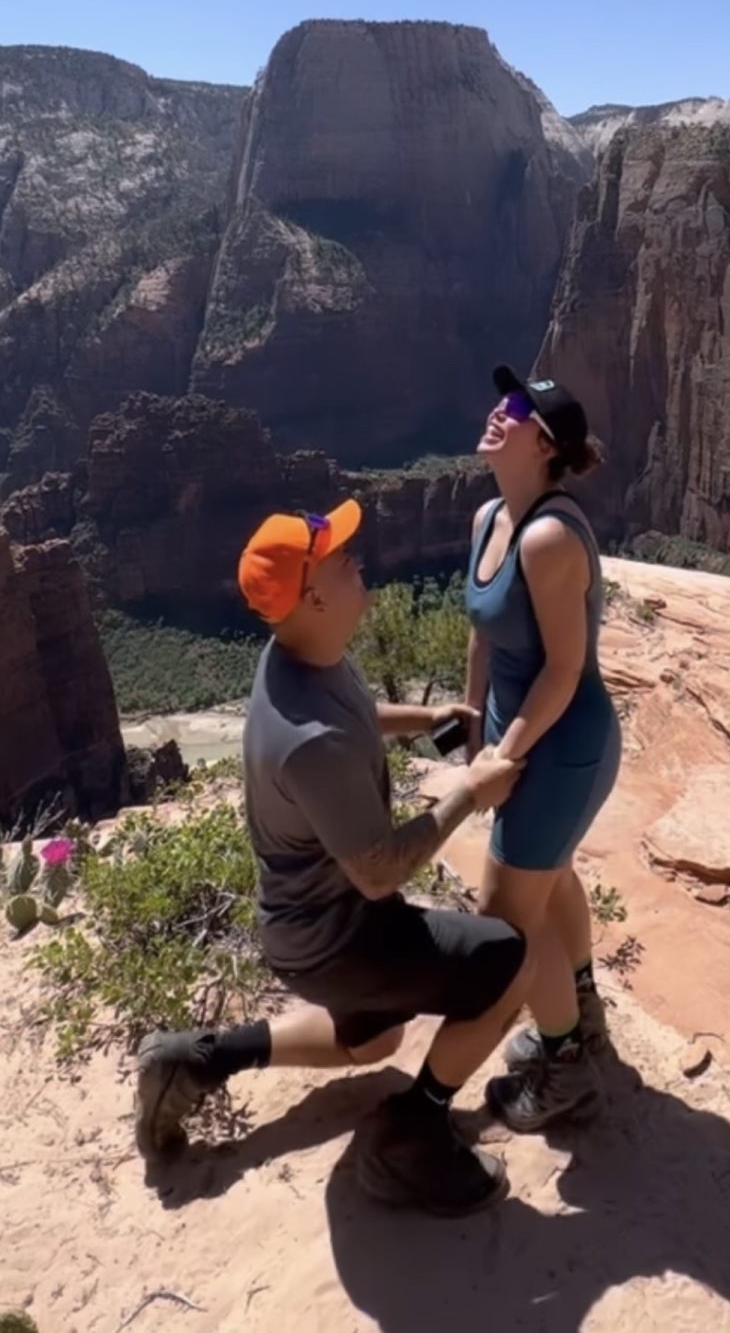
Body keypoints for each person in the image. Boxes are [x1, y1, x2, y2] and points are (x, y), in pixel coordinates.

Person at [134, 499, 529, 1217]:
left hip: (306, 930)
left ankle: (200, 1057)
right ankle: (410, 1139)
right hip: (341, 940)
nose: (358, 561)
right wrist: (469, 790)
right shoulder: (310, 740)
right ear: (313, 594)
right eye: (342, 559)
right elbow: (378, 869)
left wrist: (427, 721)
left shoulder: (298, 657)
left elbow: (355, 716)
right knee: (508, 963)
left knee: (374, 1040)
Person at [466, 367, 622, 1133]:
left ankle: (564, 1071)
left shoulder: (551, 537)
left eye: (520, 408)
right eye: (504, 398)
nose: (501, 410)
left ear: (546, 445)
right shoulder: (489, 516)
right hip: (517, 735)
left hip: (563, 746)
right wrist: (472, 721)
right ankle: (583, 1015)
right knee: (548, 881)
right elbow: (484, 630)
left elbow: (565, 670)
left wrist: (508, 755)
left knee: (507, 919)